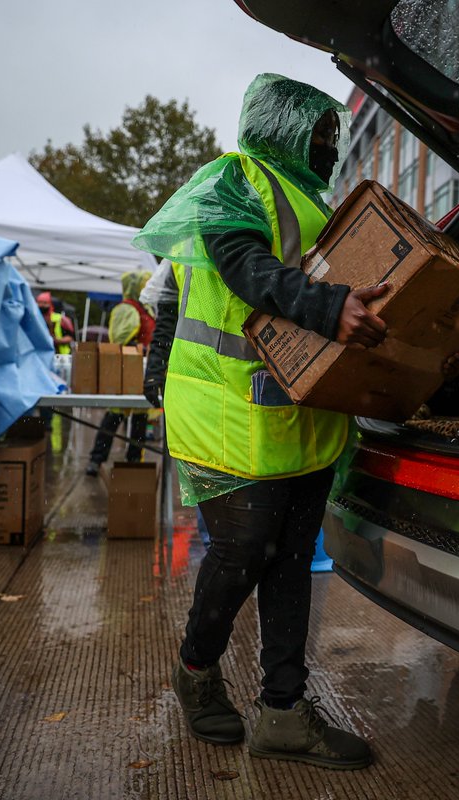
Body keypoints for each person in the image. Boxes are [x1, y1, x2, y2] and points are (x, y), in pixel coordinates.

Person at [133, 74, 387, 770]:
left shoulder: (313, 202)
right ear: (283, 128)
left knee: (290, 566)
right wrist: (330, 306)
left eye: (336, 136)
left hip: (299, 416)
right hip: (228, 416)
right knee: (243, 554)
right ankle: (196, 670)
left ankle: (283, 712)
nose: (331, 148)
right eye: (321, 134)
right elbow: (244, 267)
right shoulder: (230, 180)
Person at [84, 271, 154, 477]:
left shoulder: (145, 308)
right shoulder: (127, 308)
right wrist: (141, 347)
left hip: (141, 370)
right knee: (114, 416)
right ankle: (96, 459)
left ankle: (134, 461)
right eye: (144, 283)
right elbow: (119, 340)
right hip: (127, 370)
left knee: (140, 419)